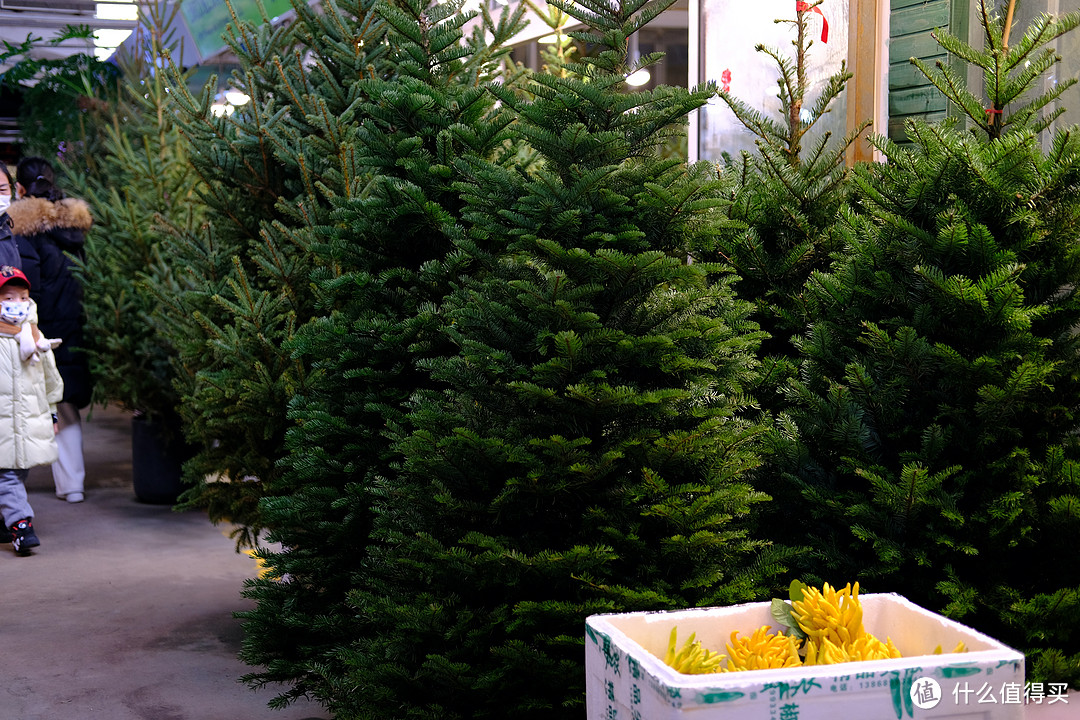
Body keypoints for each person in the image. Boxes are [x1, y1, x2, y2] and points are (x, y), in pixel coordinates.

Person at [8, 157, 92, 504]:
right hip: (76, 326)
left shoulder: (24, 230)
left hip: (41, 331)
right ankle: (72, 484)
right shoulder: (74, 229)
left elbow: (30, 287)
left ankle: (13, 487)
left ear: (20, 189)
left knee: (21, 406)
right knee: (67, 402)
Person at [0, 265, 64, 555]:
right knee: (9, 476)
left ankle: (5, 519)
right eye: (8, 298)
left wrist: (52, 413)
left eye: (22, 297)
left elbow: (50, 380)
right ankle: (21, 527)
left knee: (18, 472)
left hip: (27, 423)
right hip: (3, 426)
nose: (16, 305)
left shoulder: (36, 339)